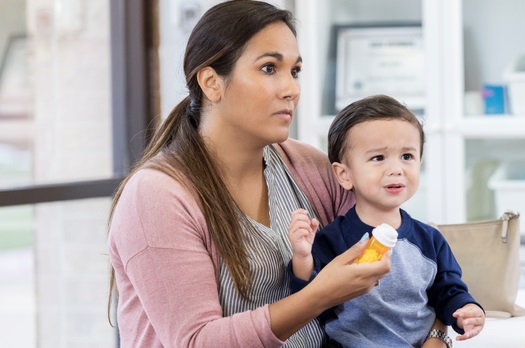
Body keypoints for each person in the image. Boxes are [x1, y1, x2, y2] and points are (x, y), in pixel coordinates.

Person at [106, 1, 392, 347]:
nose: (291, 89)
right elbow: (197, 341)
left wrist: (438, 330)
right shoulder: (155, 197)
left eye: (295, 71)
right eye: (269, 68)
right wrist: (319, 294)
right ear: (212, 83)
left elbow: (403, 252)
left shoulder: (310, 168)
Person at [287, 95, 486, 347]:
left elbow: (448, 290)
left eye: (407, 156)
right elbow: (310, 302)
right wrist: (303, 258)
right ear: (344, 175)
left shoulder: (430, 240)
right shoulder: (333, 239)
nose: (396, 169)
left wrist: (465, 310)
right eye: (378, 158)